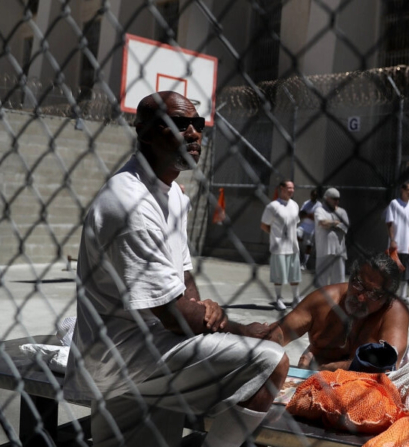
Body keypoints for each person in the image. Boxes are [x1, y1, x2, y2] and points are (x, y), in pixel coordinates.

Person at [65, 91, 289, 447]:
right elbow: (173, 314)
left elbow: (184, 280)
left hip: (149, 345)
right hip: (122, 354)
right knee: (269, 361)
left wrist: (200, 314)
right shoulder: (130, 203)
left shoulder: (173, 196)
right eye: (179, 123)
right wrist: (237, 328)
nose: (194, 133)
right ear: (146, 132)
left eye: (197, 124)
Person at [260, 253, 409, 370]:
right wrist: (262, 337)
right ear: (350, 278)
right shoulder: (324, 301)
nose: (361, 297)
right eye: (358, 284)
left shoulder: (394, 311)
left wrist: (323, 368)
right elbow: (281, 332)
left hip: (360, 389)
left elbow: (386, 367)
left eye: (374, 294)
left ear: (388, 298)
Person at [261, 180, 302, 310]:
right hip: (278, 248)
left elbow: (296, 224)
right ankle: (279, 299)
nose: (291, 190)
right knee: (279, 276)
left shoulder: (295, 205)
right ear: (282, 189)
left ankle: (296, 298)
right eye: (289, 188)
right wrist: (275, 236)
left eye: (293, 188)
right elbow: (264, 225)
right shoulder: (273, 206)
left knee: (295, 275)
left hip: (293, 247)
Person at [385, 182, 409, 306]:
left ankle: (403, 296)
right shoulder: (394, 204)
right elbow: (389, 223)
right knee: (393, 271)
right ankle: (390, 295)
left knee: (407, 272)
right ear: (402, 190)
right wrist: (392, 240)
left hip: (408, 246)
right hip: (395, 246)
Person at [313, 188, 349, 287]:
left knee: (339, 281)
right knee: (322, 280)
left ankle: (336, 302)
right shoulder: (320, 210)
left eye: (338, 199)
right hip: (324, 250)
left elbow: (345, 226)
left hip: (339, 251)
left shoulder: (342, 212)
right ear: (327, 198)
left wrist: (330, 224)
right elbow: (322, 223)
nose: (337, 201)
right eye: (334, 199)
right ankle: (321, 302)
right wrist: (336, 223)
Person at [297, 189, 320, 270]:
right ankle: (299, 258)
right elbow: (300, 214)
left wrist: (307, 214)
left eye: (315, 195)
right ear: (311, 195)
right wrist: (308, 215)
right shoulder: (306, 203)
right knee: (297, 234)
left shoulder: (319, 205)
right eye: (313, 195)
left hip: (312, 228)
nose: (314, 196)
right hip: (304, 225)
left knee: (309, 245)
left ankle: (304, 264)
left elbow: (316, 217)